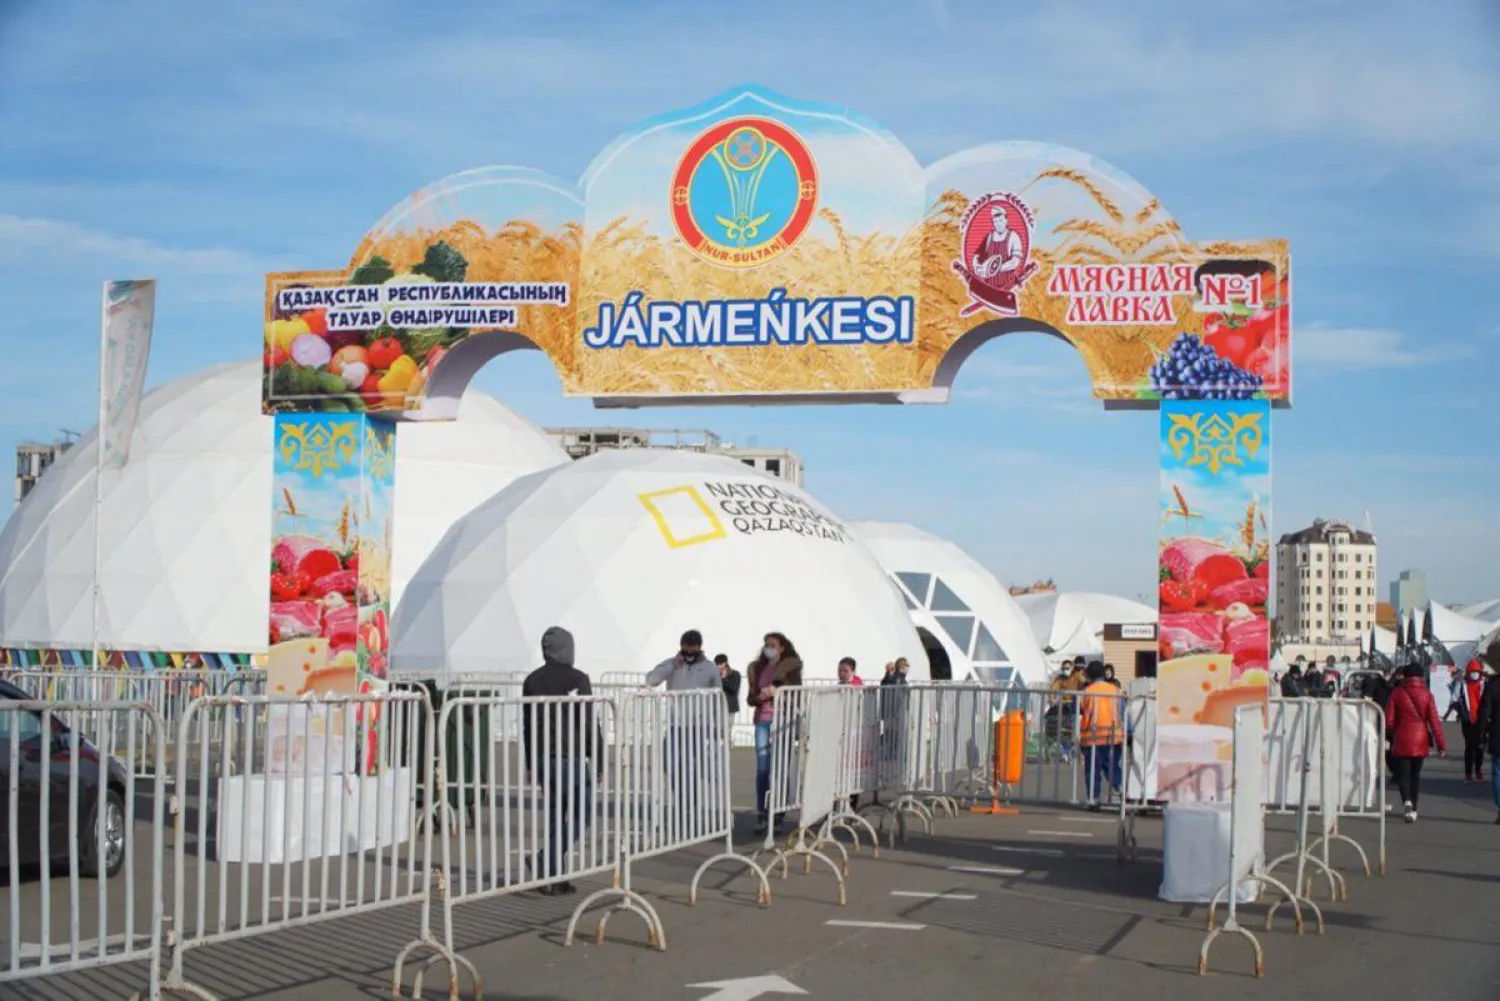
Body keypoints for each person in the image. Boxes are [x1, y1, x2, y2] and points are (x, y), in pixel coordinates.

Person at [521, 626, 603, 896]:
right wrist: (599, 759)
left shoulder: (532, 681)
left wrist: (532, 763)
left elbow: (528, 726)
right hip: (572, 757)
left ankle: (556, 878)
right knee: (583, 814)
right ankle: (545, 859)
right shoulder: (578, 679)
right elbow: (590, 722)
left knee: (557, 816)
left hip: (545, 757)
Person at [745, 632, 804, 835]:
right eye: (766, 645)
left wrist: (776, 691)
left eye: (772, 645)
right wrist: (760, 697)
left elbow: (796, 692)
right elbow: (750, 698)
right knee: (763, 769)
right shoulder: (757, 668)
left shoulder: (791, 667)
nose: (768, 648)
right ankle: (762, 811)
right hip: (763, 720)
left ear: (782, 648)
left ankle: (778, 813)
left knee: (780, 768)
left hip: (782, 721)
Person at [1385, 662, 1446, 823]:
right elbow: (1435, 723)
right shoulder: (1427, 695)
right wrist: (1441, 745)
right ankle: (1414, 810)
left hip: (1402, 738)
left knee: (1403, 774)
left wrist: (1394, 731)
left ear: (1405, 676)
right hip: (1420, 739)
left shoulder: (1397, 693)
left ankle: (1406, 801)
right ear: (1421, 677)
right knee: (1415, 776)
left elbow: (1389, 721)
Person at [1079, 662, 1124, 811]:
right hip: (1114, 736)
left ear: (1089, 674)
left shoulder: (1086, 692)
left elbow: (1078, 709)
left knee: (1093, 770)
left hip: (1093, 737)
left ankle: (1094, 799)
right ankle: (1123, 792)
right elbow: (1122, 711)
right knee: (1112, 767)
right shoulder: (1116, 690)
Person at [646, 629, 720, 692]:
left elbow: (718, 695)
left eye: (693, 650)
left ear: (699, 647)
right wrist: (672, 666)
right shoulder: (671, 663)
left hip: (701, 709)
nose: (689, 653)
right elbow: (651, 681)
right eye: (686, 650)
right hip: (676, 709)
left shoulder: (710, 668)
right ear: (681, 646)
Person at [1455, 660, 1487, 784]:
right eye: (1472, 672)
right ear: (1468, 673)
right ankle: (1468, 773)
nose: (1475, 674)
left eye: (1477, 672)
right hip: (1468, 720)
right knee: (1469, 747)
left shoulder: (1485, 684)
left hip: (1482, 720)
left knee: (1480, 747)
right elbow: (1454, 699)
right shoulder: (1462, 685)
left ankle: (1478, 770)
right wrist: (1461, 712)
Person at [1477, 667, 1500, 824]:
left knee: (1498, 772)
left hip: (1497, 733)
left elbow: (1484, 713)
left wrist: (1481, 734)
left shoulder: (1492, 685)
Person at [716, 653, 741, 717]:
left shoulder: (735, 674)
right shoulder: (715, 675)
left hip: (730, 708)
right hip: (717, 708)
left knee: (728, 726)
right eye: (717, 664)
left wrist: (723, 679)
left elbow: (734, 690)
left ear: (726, 663)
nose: (719, 666)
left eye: (721, 664)